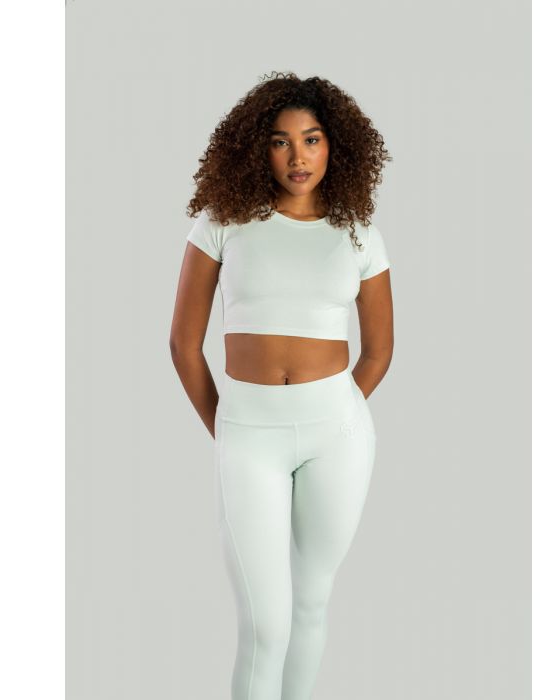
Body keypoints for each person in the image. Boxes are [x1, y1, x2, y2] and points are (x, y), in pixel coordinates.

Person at [169, 71, 394, 700]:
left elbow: (379, 351)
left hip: (338, 436)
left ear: (335, 146)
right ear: (256, 148)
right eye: (280, 141)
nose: (299, 156)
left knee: (311, 603)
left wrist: (333, 414)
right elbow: (183, 344)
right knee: (264, 626)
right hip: (248, 434)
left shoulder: (359, 234)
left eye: (312, 139)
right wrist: (233, 428)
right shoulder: (223, 222)